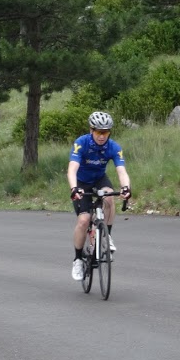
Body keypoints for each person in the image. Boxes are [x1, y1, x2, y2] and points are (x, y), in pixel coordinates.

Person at [68, 111, 131, 281]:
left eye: (106, 132)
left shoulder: (114, 147)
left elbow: (121, 171)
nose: (102, 136)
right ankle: (78, 259)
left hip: (99, 179)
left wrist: (126, 188)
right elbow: (72, 168)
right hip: (82, 183)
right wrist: (74, 188)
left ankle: (106, 237)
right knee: (84, 220)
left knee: (110, 197)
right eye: (98, 132)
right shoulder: (81, 143)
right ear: (91, 130)